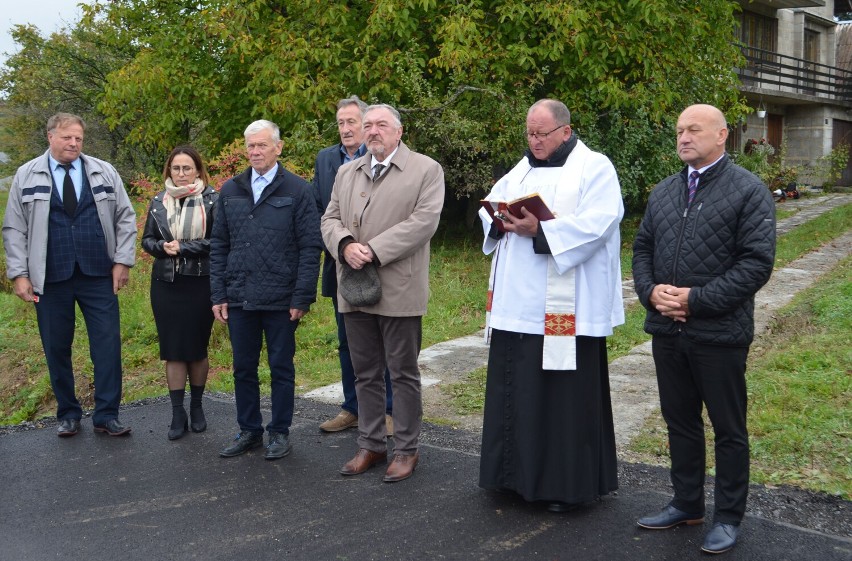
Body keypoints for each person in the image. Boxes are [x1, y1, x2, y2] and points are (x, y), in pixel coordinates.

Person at [632, 104, 775, 554]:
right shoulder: (664, 192)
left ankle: (728, 517)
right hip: (667, 330)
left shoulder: (749, 191)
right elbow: (641, 249)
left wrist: (696, 300)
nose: (683, 137)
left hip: (720, 333)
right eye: (678, 131)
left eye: (694, 129)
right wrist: (651, 292)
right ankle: (687, 503)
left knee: (728, 428)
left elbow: (756, 264)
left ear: (722, 135)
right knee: (680, 422)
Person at [477, 99, 623, 512]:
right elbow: (491, 204)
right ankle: (510, 478)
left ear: (565, 130)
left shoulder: (595, 168)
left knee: (562, 400)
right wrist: (498, 217)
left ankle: (564, 486)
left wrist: (542, 230)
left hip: (566, 309)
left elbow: (600, 223)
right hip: (517, 306)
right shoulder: (522, 169)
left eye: (541, 134)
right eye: (529, 133)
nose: (534, 141)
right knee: (515, 389)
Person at [321, 103, 444, 482]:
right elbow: (329, 218)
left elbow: (424, 222)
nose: (373, 131)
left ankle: (406, 450)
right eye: (368, 124)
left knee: (402, 373)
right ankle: (371, 444)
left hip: (399, 289)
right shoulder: (347, 171)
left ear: (399, 131)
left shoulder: (426, 169)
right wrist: (343, 244)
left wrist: (373, 249)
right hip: (355, 287)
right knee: (365, 372)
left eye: (381, 125)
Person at [2, 112, 137, 437]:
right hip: (49, 277)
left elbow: (125, 216)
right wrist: (19, 273)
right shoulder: (27, 174)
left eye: (78, 138)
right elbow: (14, 228)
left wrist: (122, 261)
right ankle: (68, 414)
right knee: (56, 346)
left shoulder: (103, 171)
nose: (74, 143)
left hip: (98, 274)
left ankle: (106, 415)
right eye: (67, 137)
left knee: (107, 344)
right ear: (51, 137)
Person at [210, 119, 322, 461]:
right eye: (250, 146)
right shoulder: (230, 190)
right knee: (243, 367)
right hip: (240, 295)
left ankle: (279, 432)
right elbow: (218, 245)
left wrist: (302, 296)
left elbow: (310, 246)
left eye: (261, 145)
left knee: (280, 367)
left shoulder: (298, 190)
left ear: (278, 147)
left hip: (281, 298)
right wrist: (219, 294)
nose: (255, 152)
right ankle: (249, 430)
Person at [312, 96, 394, 435]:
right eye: (341, 123)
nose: (346, 129)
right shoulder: (326, 159)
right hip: (340, 265)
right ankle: (353, 407)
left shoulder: (386, 160)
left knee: (384, 341)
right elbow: (321, 211)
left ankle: (387, 410)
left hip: (381, 264)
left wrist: (368, 249)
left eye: (352, 122)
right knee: (348, 340)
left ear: (368, 125)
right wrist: (341, 247)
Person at [141, 146, 218, 440]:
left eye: (187, 168)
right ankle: (177, 412)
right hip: (166, 284)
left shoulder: (213, 200)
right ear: (169, 171)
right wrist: (161, 247)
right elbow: (147, 240)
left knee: (197, 348)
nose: (182, 173)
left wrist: (183, 248)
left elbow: (218, 240)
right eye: (176, 168)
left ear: (198, 170)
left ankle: (197, 407)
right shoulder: (159, 201)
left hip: (201, 283)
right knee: (173, 350)